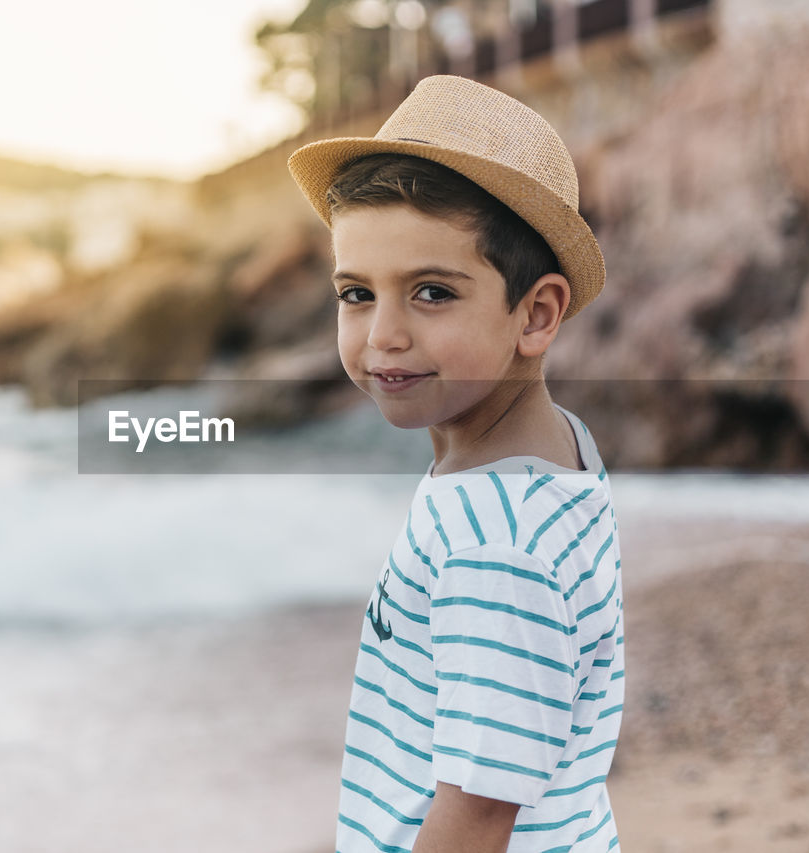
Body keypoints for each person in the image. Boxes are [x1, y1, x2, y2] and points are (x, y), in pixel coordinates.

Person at [287, 76, 624, 852]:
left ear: (536, 314)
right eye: (357, 293)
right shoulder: (553, 450)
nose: (383, 336)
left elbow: (477, 813)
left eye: (432, 291)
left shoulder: (493, 545)